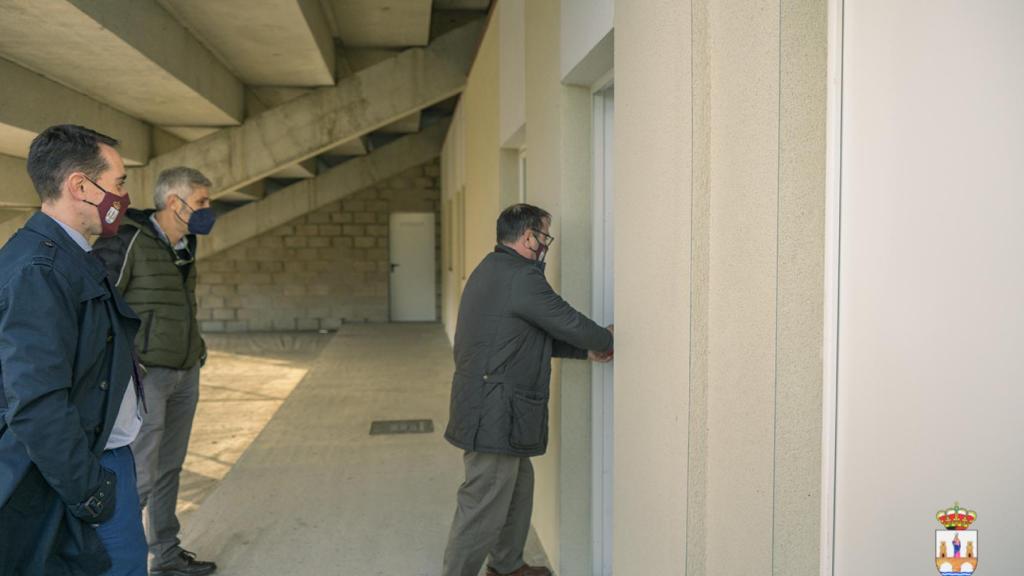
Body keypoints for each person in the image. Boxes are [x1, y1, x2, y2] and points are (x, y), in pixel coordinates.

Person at [0, 124, 146, 574]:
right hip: (88, 470)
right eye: (118, 183)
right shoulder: (40, 269)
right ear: (81, 186)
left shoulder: (66, 255)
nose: (123, 196)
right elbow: (36, 402)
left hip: (103, 458)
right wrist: (92, 492)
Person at [442, 204, 614, 576]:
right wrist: (603, 338)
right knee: (482, 504)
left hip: (497, 406)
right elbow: (565, 319)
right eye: (544, 235)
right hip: (494, 410)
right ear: (528, 237)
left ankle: (506, 565)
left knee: (519, 488)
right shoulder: (521, 278)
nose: (545, 244)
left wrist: (586, 351)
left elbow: (529, 337)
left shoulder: (494, 269)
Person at [93, 167, 217, 576]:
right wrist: (130, 364)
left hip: (185, 372)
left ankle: (165, 555)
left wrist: (196, 350)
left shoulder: (186, 244)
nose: (207, 210)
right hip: (147, 378)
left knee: (169, 469)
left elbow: (180, 306)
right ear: (173, 203)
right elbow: (99, 305)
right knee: (141, 475)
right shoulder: (127, 240)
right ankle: (115, 566)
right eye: (201, 202)